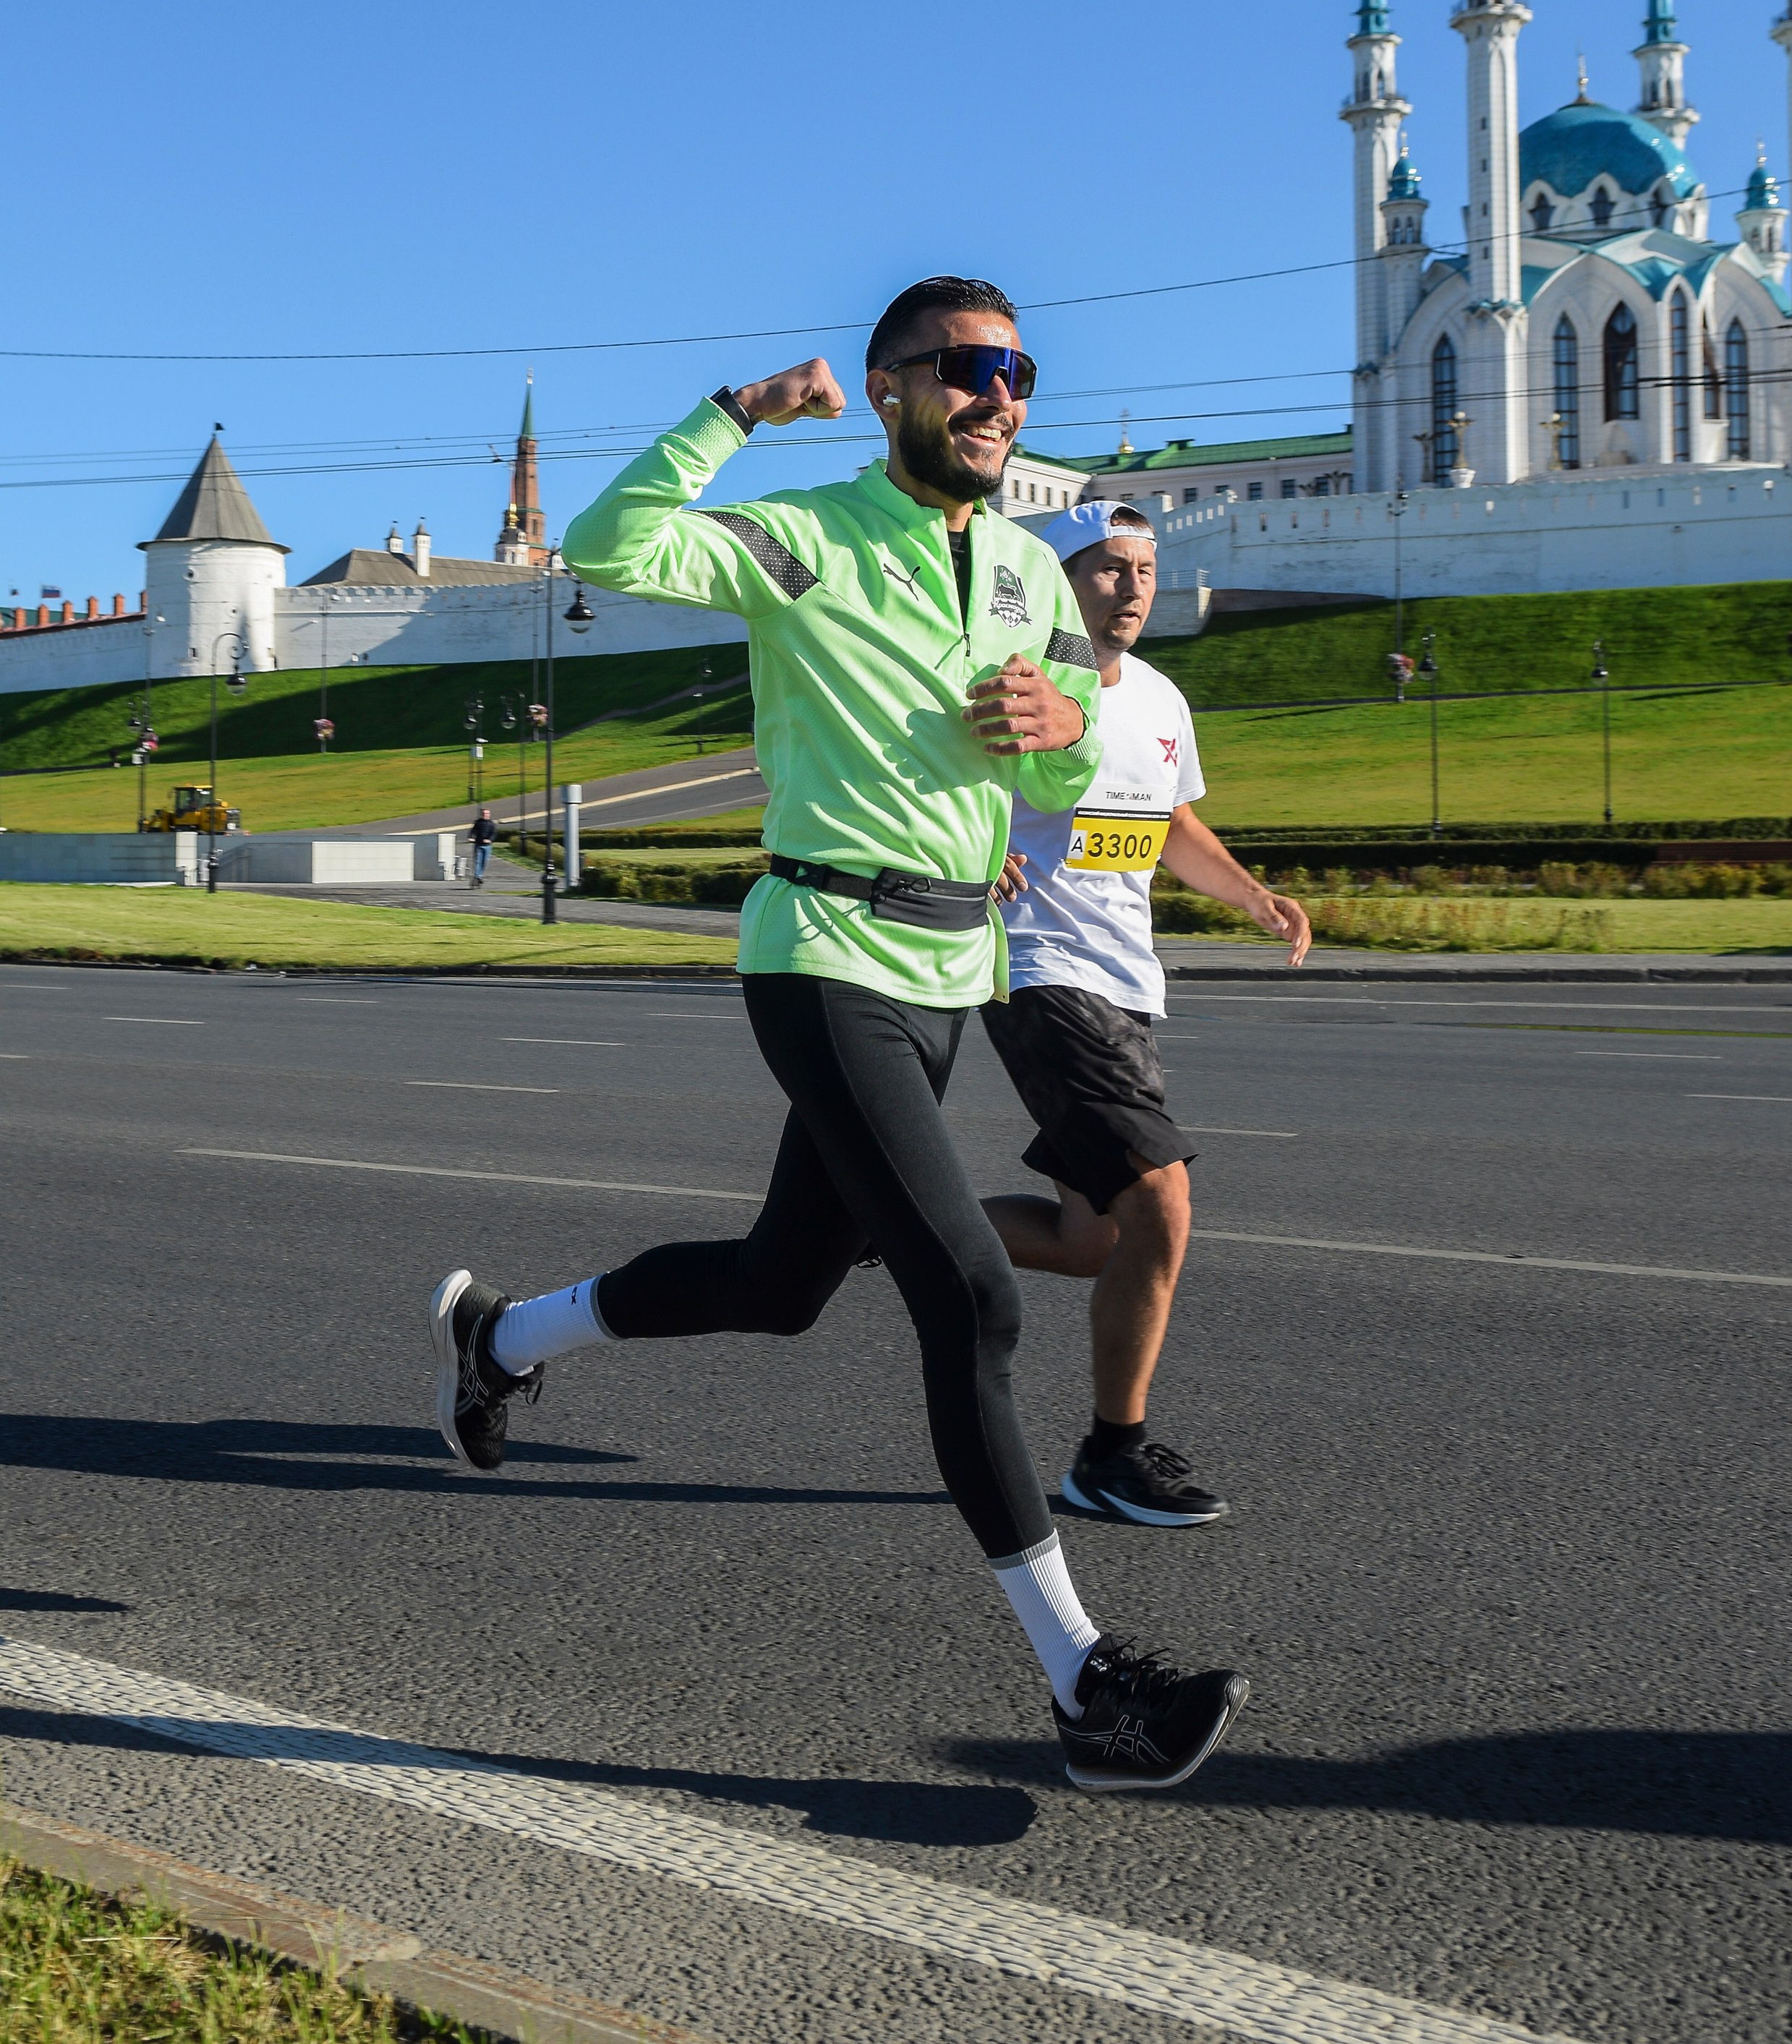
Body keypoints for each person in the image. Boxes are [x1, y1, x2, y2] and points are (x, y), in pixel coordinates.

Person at [427, 278, 1250, 1792]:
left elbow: (1076, 707)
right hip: (820, 950)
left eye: (1018, 371)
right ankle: (1088, 1693)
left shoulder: (1018, 564)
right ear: (888, 390)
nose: (998, 395)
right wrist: (740, 411)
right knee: (976, 1304)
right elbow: (605, 546)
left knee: (781, 1283)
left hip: (954, 958)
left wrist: (1046, 720)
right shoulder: (809, 537)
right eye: (967, 370)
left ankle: (504, 1335)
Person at [980, 500, 1311, 1528]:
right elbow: (936, 784)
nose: (1133, 588)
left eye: (1147, 570)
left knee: (1092, 1242)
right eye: (1111, 570)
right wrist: (972, 852)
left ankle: (874, 1218)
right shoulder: (1017, 683)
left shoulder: (1162, 697)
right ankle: (1110, 1458)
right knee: (1160, 1202)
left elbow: (1167, 822)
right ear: (1060, 580)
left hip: (1128, 983)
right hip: (1035, 970)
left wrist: (1253, 896)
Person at [469, 808, 497, 886]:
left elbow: (494, 834)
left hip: (487, 846)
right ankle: (477, 877)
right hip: (478, 845)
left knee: (484, 862)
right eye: (484, 814)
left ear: (489, 815)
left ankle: (480, 876)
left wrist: (490, 840)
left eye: (487, 814)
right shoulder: (478, 823)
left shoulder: (491, 824)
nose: (485, 815)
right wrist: (471, 837)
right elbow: (473, 831)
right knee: (478, 861)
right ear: (481, 815)